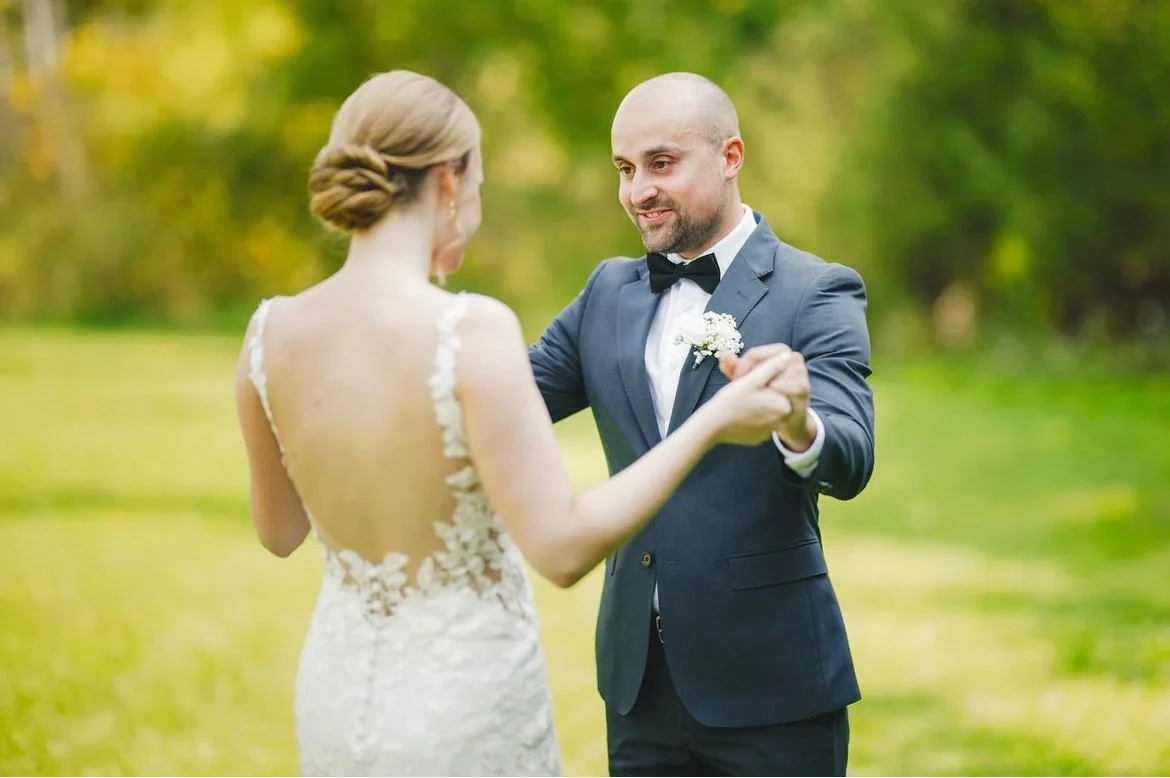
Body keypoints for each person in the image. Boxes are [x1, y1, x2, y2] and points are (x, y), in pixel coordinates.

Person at [234, 69, 802, 776]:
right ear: (448, 185)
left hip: (338, 688)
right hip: (462, 700)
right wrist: (711, 423)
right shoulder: (468, 328)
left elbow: (280, 531)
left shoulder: (267, 334)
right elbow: (561, 549)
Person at [528, 72, 876, 776]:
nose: (637, 191)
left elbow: (852, 453)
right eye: (625, 170)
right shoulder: (605, 294)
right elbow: (506, 401)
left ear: (731, 156)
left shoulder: (816, 289)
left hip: (772, 686)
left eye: (661, 163)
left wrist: (799, 424)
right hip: (638, 688)